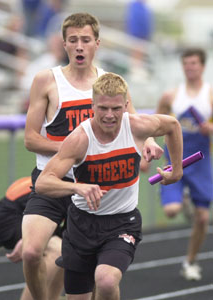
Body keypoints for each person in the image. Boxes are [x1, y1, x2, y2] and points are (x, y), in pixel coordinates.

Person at [22, 12, 163, 300]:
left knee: (99, 275)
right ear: (64, 44)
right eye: (72, 40)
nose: (79, 46)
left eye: (85, 40)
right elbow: (30, 139)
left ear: (97, 43)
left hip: (97, 190)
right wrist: (75, 150)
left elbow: (134, 123)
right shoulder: (46, 81)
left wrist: (148, 142)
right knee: (32, 252)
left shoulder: (110, 82)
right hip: (55, 181)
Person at [35, 72, 183, 300]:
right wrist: (78, 188)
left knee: (106, 280)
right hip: (81, 225)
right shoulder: (80, 139)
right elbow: (43, 183)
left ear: (126, 105)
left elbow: (173, 125)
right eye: (103, 108)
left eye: (116, 108)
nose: (109, 116)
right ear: (92, 105)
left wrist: (176, 171)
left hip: (122, 222)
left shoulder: (136, 126)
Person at [156, 47, 213, 281]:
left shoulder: (210, 94)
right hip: (175, 161)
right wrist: (151, 145)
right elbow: (155, 122)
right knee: (171, 211)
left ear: (202, 66)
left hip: (201, 161)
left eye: (194, 63)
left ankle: (190, 261)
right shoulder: (171, 96)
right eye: (186, 63)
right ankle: (184, 201)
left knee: (202, 219)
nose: (190, 67)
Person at [0, 177, 64, 300]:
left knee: (68, 251)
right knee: (57, 250)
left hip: (36, 215)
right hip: (12, 214)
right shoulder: (63, 179)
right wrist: (27, 236)